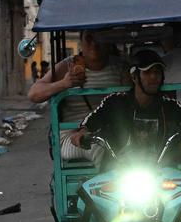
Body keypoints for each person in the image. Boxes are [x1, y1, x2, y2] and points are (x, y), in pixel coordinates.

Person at [70, 49, 181, 160]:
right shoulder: (115, 102)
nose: (153, 77)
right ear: (134, 77)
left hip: (160, 170)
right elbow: (92, 121)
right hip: (120, 169)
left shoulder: (169, 105)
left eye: (157, 72)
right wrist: (82, 132)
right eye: (147, 72)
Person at [29, 31, 127, 160]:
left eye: (99, 38)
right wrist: (64, 84)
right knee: (100, 148)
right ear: (81, 42)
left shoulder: (120, 67)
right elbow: (34, 94)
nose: (94, 44)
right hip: (73, 136)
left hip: (112, 132)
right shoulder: (68, 66)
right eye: (89, 38)